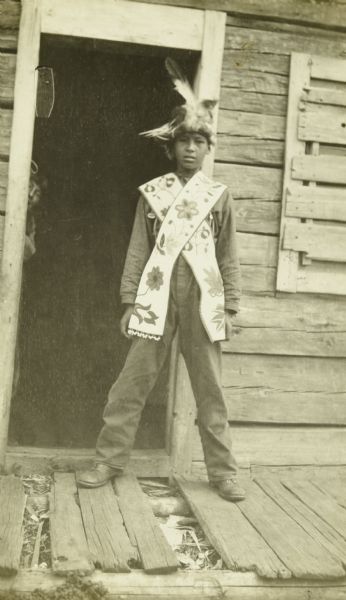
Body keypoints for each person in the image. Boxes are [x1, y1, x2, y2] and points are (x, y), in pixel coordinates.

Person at [77, 59, 245, 502]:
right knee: (132, 382)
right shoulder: (152, 195)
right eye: (183, 141)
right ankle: (109, 459)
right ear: (170, 148)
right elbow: (138, 249)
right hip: (157, 295)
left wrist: (230, 307)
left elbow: (228, 255)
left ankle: (222, 473)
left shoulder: (218, 197)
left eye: (198, 141)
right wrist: (130, 301)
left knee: (210, 391)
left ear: (208, 148)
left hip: (203, 297)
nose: (190, 149)